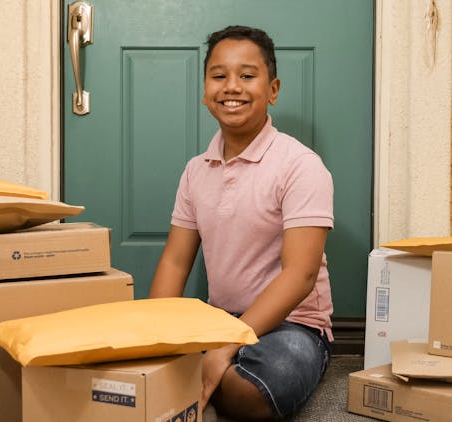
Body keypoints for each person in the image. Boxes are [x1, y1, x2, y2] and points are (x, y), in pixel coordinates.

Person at [149, 25, 334, 421]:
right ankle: (209, 370)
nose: (232, 87)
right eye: (219, 76)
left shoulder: (300, 165)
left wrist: (221, 350)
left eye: (247, 76)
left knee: (259, 389)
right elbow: (175, 262)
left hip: (292, 327)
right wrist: (154, 339)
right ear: (204, 91)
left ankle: (211, 374)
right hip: (220, 319)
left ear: (273, 89)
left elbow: (300, 276)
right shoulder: (196, 171)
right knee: (153, 360)